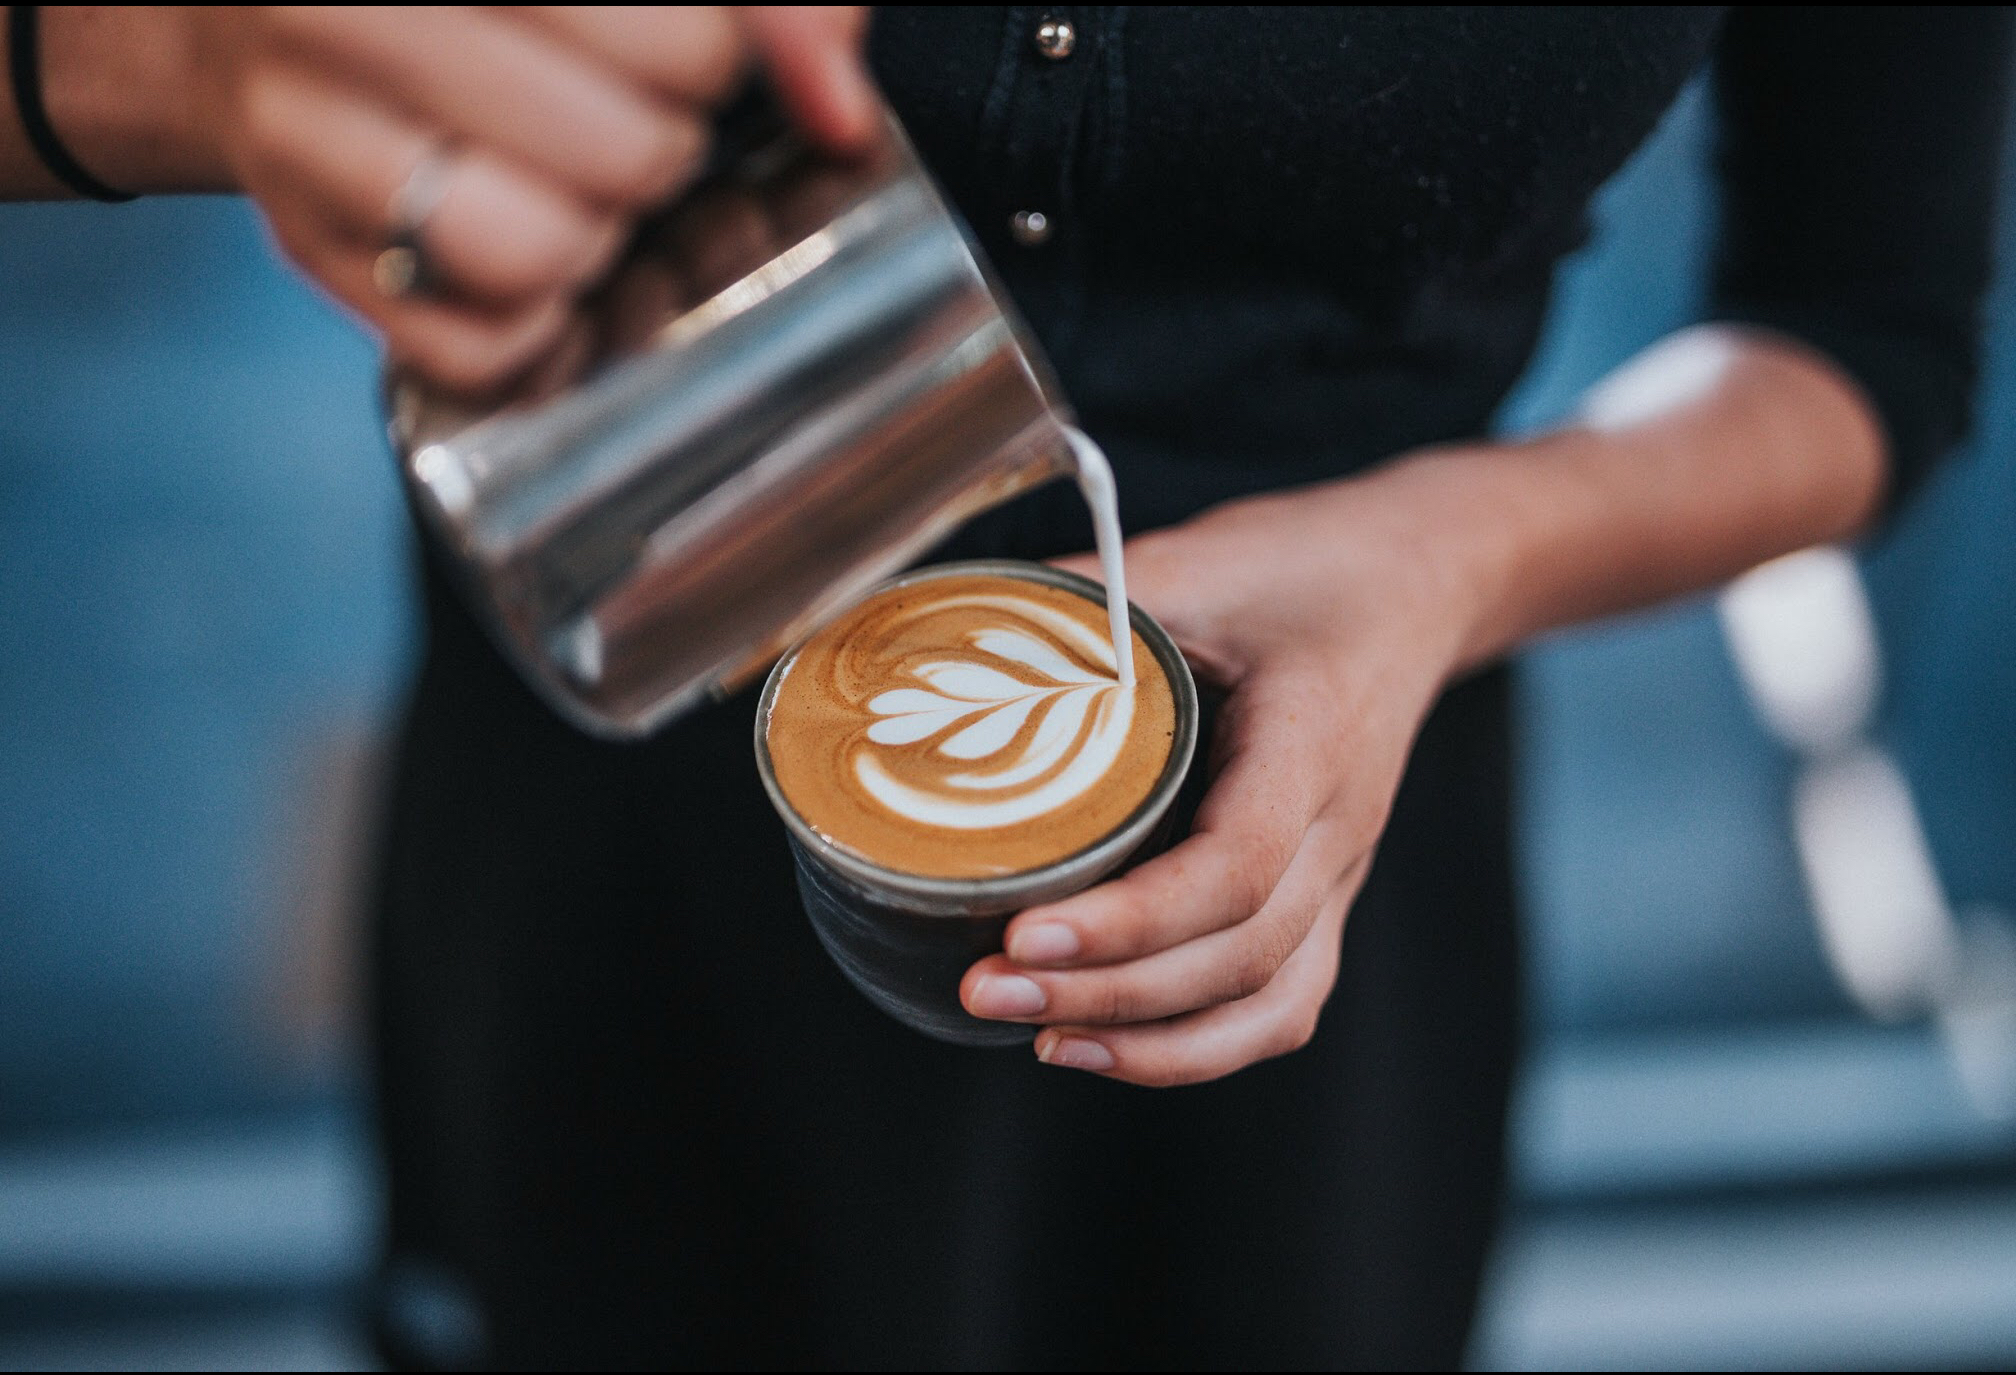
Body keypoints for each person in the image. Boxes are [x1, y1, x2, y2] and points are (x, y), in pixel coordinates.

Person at [7, 6, 2008, 1368]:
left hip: (1319, 824)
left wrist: (1446, 559)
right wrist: (176, 56)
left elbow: (1870, 338)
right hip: (617, 755)